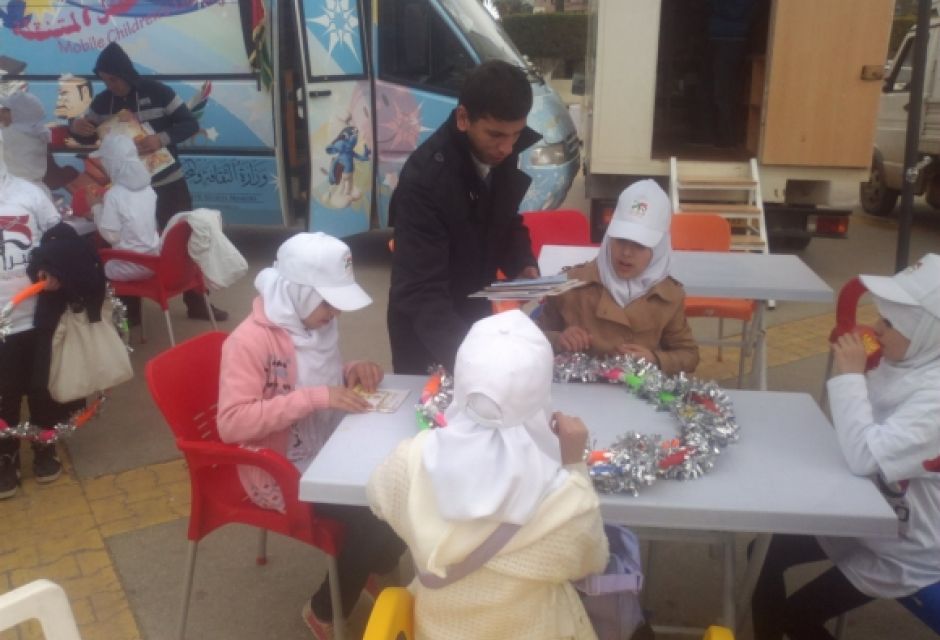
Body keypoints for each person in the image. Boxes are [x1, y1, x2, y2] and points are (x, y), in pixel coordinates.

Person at [369, 309, 608, 639]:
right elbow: (591, 559)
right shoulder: (564, 497)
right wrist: (574, 466)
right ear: (540, 388)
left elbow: (378, 496)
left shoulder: (409, 461)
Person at [216, 232, 405, 640]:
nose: (335, 313)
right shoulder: (248, 342)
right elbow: (231, 423)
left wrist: (352, 370)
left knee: (404, 484)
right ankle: (323, 610)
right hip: (280, 470)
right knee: (376, 511)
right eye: (328, 302)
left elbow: (316, 378)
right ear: (297, 293)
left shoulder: (313, 323)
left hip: (330, 447)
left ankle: (367, 567)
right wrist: (316, 397)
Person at [751, 254, 940, 639]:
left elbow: (864, 457)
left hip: (909, 546)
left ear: (928, 334)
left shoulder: (934, 399)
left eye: (890, 323)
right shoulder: (903, 363)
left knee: (796, 617)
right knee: (761, 552)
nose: (876, 328)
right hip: (861, 513)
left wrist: (852, 376)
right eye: (880, 317)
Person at [387, 60, 540, 375]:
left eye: (516, 134)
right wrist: (473, 358)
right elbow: (421, 290)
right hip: (427, 334)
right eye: (496, 135)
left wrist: (523, 264)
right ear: (463, 118)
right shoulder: (425, 180)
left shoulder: (499, 151)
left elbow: (505, 218)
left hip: (475, 314)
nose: (506, 148)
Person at [68, 41, 227, 322]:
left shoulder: (158, 91)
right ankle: (132, 314)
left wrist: (160, 139)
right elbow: (87, 134)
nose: (110, 85)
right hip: (127, 191)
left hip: (168, 181)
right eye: (105, 80)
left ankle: (198, 303)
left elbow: (189, 124)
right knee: (128, 246)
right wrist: (76, 127)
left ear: (126, 73)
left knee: (185, 241)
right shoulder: (103, 102)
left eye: (114, 79)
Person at [0, 131, 103, 498]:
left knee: (41, 387)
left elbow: (62, 239)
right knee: (4, 392)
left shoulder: (29, 194)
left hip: (36, 315)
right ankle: (6, 455)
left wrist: (55, 268)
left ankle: (45, 446)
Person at [536, 180, 699, 375]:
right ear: (608, 239)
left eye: (639, 245)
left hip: (637, 389)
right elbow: (531, 337)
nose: (626, 253)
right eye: (620, 240)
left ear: (659, 249)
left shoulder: (669, 296)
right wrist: (559, 339)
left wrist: (654, 359)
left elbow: (689, 355)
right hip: (578, 388)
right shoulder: (571, 284)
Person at [88, 133, 160, 327]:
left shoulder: (114, 194)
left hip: (129, 266)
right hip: (154, 262)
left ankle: (110, 322)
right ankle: (133, 315)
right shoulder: (149, 189)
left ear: (112, 163)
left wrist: (96, 207)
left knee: (92, 264)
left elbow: (111, 235)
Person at [0, 91, 51, 198]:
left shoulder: (11, 134)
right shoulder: (38, 132)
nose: (1, 111)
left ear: (19, 114)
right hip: (37, 190)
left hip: (15, 191)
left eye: (6, 110)